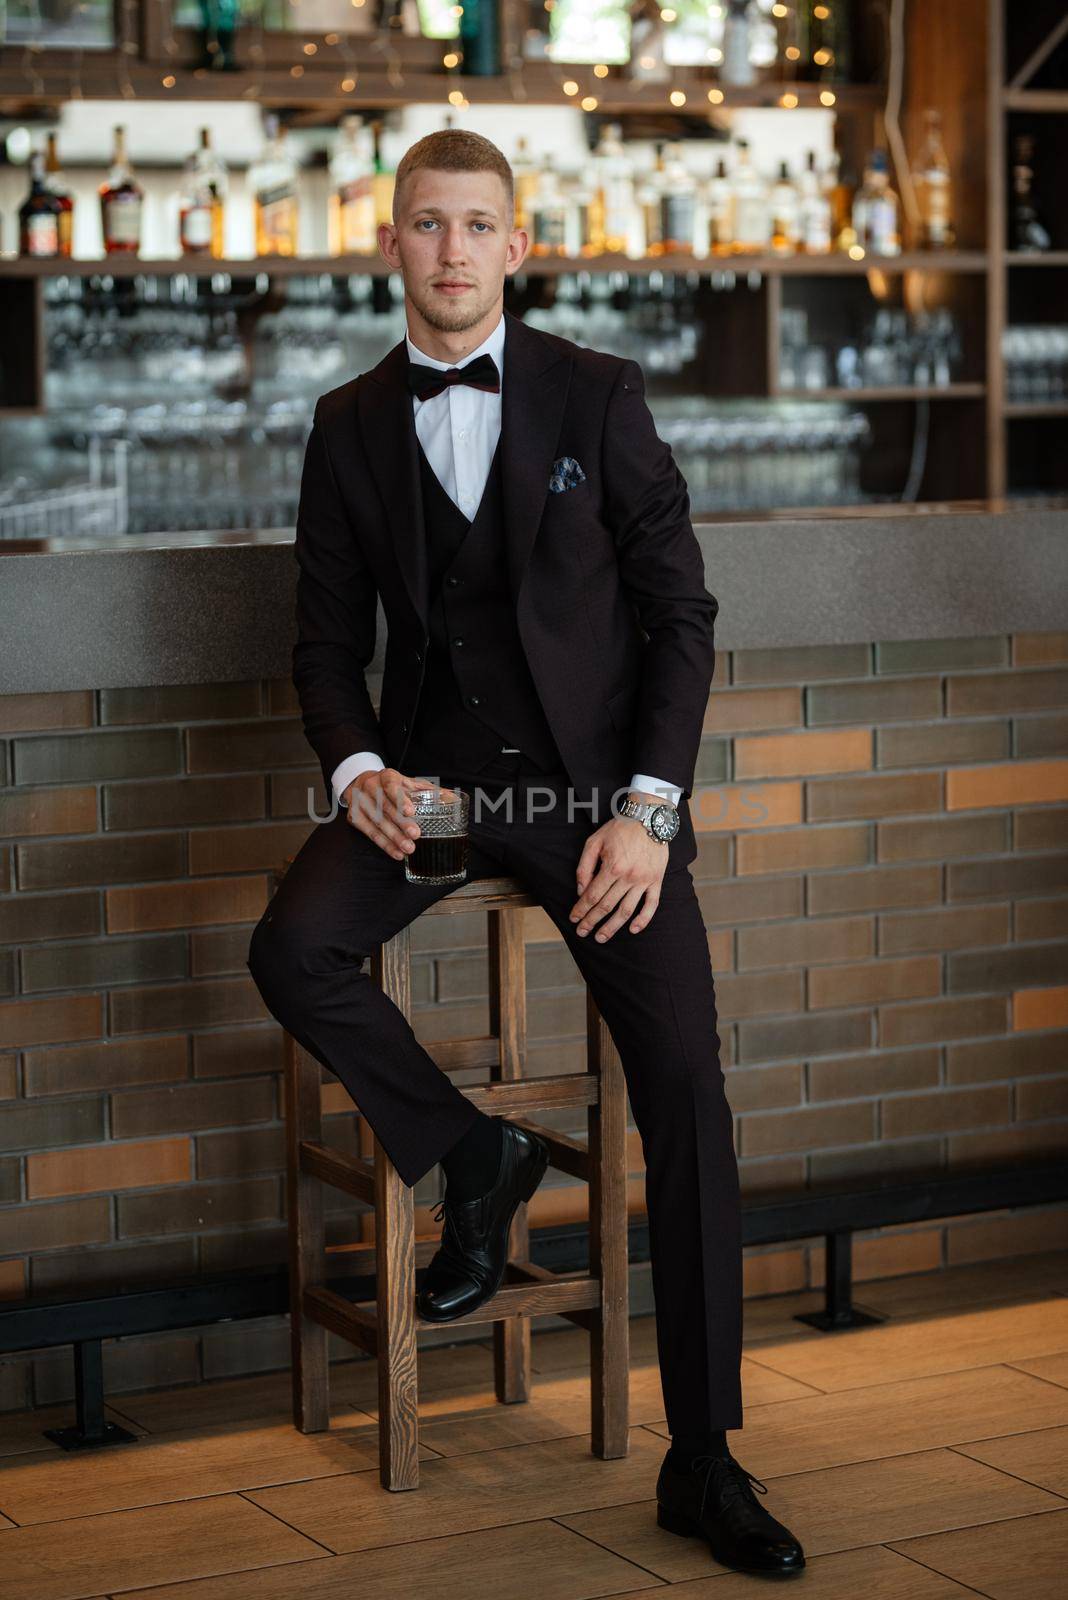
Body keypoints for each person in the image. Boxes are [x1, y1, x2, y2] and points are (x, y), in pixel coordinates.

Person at [248, 127, 804, 1578]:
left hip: (590, 806)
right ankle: (474, 1156)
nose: (449, 250)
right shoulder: (347, 423)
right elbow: (321, 642)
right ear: (392, 245)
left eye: (474, 225)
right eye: (424, 225)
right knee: (293, 946)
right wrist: (360, 767)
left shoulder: (598, 397)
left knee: (686, 1087)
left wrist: (649, 811)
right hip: (427, 788)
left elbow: (682, 618)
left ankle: (705, 1459)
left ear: (516, 242)